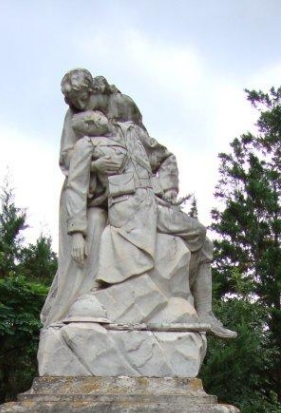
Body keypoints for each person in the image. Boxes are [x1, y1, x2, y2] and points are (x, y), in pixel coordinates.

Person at [61, 105, 236, 339]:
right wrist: (77, 232)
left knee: (201, 235)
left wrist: (168, 189)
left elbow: (165, 158)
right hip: (127, 209)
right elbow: (76, 187)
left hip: (154, 204)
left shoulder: (132, 132)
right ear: (85, 131)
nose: (95, 122)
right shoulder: (86, 146)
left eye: (96, 116)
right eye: (88, 124)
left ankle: (205, 312)